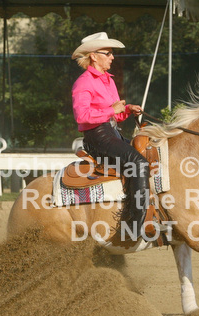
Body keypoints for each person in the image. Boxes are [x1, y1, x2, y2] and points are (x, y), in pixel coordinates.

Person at [71, 32, 149, 235]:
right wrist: (111, 110)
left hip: (111, 132)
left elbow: (116, 114)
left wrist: (127, 109)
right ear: (94, 56)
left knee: (148, 153)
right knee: (139, 163)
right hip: (97, 136)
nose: (112, 57)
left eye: (112, 53)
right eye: (108, 53)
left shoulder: (108, 80)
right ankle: (134, 224)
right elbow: (82, 116)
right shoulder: (83, 82)